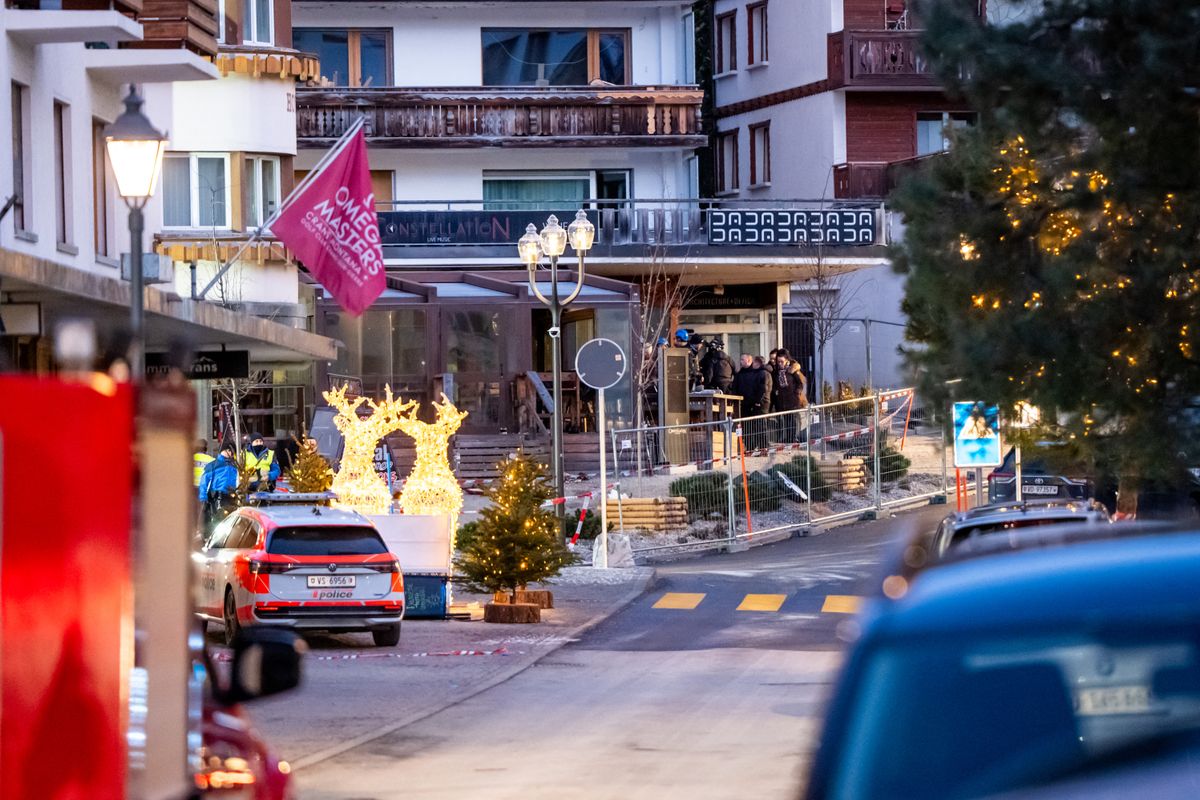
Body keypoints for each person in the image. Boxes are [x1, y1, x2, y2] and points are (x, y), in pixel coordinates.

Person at [731, 354, 771, 450]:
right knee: (747, 427)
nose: (740, 362)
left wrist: (757, 401)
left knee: (759, 425)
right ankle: (750, 447)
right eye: (740, 359)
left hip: (757, 403)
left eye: (742, 360)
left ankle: (763, 447)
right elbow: (735, 387)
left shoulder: (760, 373)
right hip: (744, 403)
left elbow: (762, 388)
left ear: (749, 361)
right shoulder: (740, 374)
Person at [198, 443, 240, 528]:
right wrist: (203, 497)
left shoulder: (235, 465)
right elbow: (204, 481)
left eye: (232, 451)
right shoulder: (214, 464)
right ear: (222, 450)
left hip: (233, 496)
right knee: (219, 520)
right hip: (218, 496)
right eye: (228, 450)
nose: (230, 453)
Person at [771, 349, 809, 442]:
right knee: (785, 419)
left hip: (792, 399)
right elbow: (775, 384)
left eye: (782, 361)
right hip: (782, 399)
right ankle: (788, 438)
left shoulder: (792, 371)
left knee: (792, 420)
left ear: (786, 361)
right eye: (778, 361)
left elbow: (800, 383)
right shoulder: (776, 372)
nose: (780, 363)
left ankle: (792, 438)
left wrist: (797, 392)